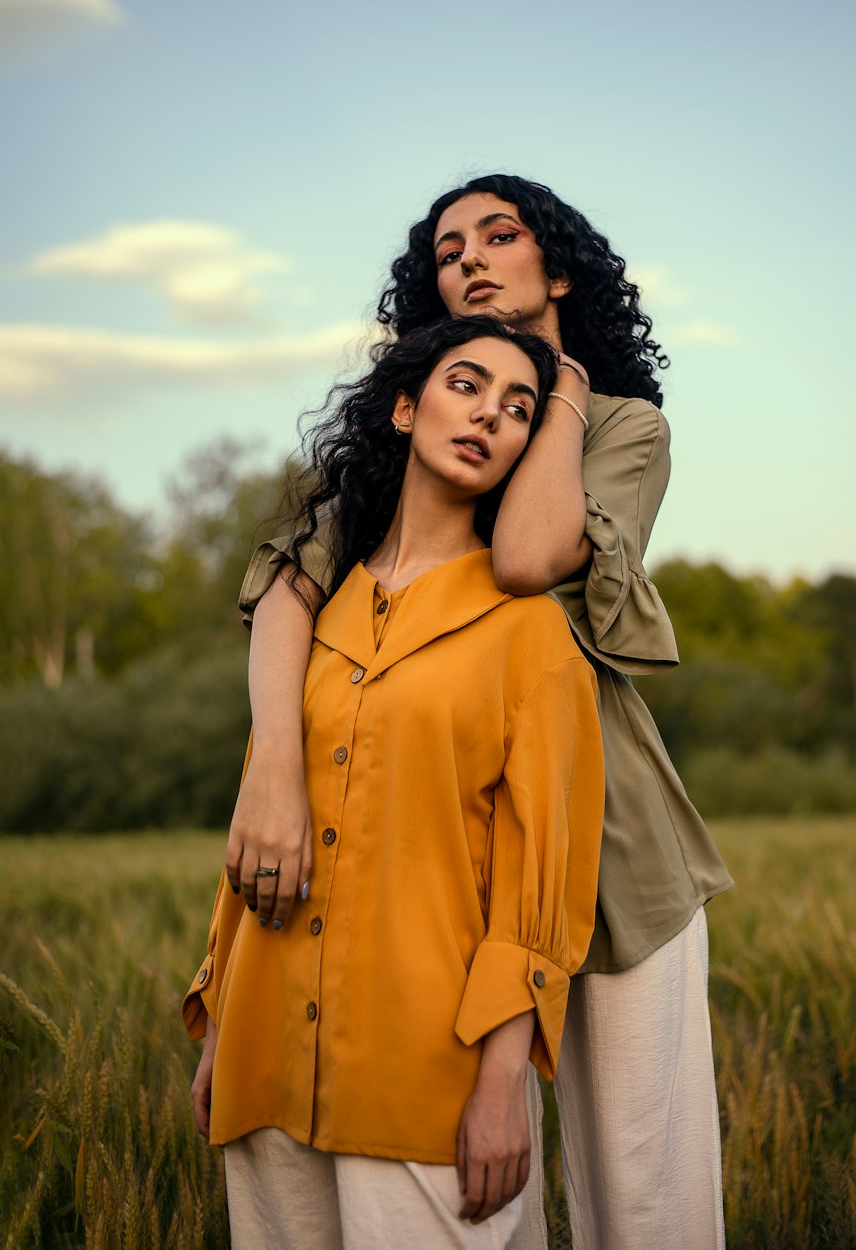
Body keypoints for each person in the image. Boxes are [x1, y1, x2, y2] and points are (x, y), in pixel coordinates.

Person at [227, 175, 734, 1249]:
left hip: (608, 849)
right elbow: (285, 590)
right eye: (446, 248)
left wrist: (554, 392)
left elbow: (527, 554)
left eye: (497, 236)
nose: (467, 256)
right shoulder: (419, 434)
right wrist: (276, 767)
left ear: (557, 272)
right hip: (450, 858)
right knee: (474, 1173)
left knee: (642, 1194)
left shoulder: (619, 424)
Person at [185, 315, 606, 1249]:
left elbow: (540, 880)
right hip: (265, 1053)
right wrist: (221, 1015)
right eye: (466, 386)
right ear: (407, 407)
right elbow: (262, 814)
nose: (489, 416)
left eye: (517, 409)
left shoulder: (529, 636)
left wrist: (502, 1080)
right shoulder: (310, 614)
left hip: (426, 1075)